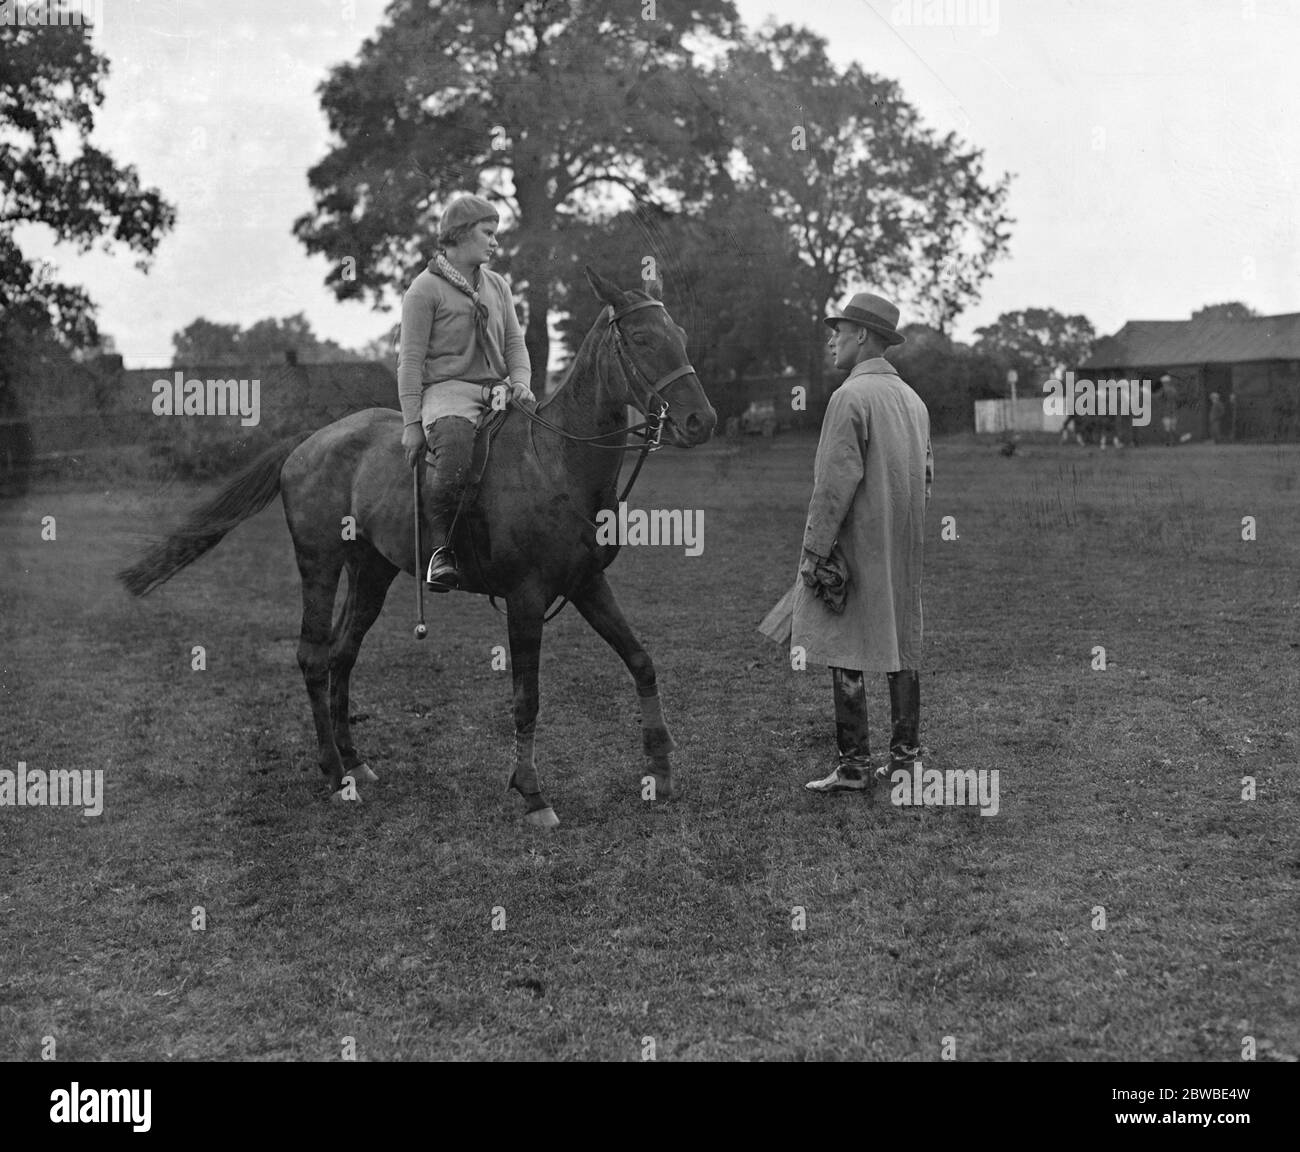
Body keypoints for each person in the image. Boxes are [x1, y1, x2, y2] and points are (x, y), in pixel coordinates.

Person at [794, 292, 933, 794]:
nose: (831, 338)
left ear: (863, 336)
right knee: (902, 641)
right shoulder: (914, 402)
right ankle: (906, 763)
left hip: (856, 543)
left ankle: (854, 767)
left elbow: (833, 484)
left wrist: (814, 551)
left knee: (844, 643)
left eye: (839, 329)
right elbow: (927, 478)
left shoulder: (850, 397)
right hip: (903, 543)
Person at [397, 195, 534, 591]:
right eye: (488, 234)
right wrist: (411, 423)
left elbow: (514, 344)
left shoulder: (498, 286)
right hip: (447, 391)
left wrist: (521, 382)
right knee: (455, 446)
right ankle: (444, 552)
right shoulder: (424, 290)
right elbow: (409, 362)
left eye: (496, 235)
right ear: (459, 235)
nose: (495, 243)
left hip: (497, 389)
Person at [1158, 373, 1178, 446]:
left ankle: (1168, 443)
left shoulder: (1164, 390)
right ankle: (1173, 442)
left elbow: (1159, 398)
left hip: (1166, 411)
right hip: (1173, 411)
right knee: (1172, 428)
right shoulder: (1173, 390)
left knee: (1167, 428)